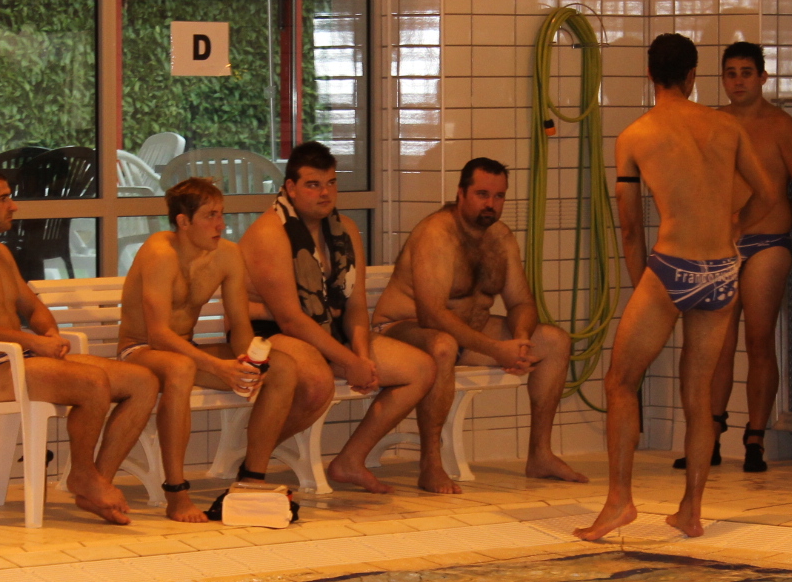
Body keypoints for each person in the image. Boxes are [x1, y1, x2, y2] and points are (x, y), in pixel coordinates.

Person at [576, 33, 780, 542]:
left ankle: (619, 502)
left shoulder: (635, 136)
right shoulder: (726, 126)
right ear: (692, 76)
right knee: (699, 395)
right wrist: (737, 226)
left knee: (620, 383)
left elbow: (630, 229)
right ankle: (691, 510)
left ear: (650, 75)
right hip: (722, 271)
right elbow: (770, 192)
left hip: (671, 269)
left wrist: (642, 285)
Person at [0, 165, 159, 526]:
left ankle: (95, 481)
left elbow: (33, 308)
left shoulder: (0, 254)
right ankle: (84, 476)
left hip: (23, 360)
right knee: (92, 382)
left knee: (143, 382)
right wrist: (30, 341)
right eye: (3, 199)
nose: (13, 206)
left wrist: (49, 333)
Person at [117, 176, 334, 520]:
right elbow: (158, 334)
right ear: (183, 222)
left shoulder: (228, 255)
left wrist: (249, 361)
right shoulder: (160, 252)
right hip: (141, 350)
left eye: (221, 214)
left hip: (185, 350)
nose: (221, 224)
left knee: (282, 368)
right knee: (180, 369)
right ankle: (176, 492)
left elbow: (240, 327)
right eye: (210, 216)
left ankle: (251, 478)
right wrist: (219, 367)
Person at [372, 157, 585, 491]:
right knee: (442, 345)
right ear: (461, 194)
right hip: (402, 330)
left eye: (499, 196)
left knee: (555, 341)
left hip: (465, 336)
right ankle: (431, 464)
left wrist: (520, 340)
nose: (491, 204)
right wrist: (497, 350)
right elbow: (431, 315)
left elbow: (521, 302)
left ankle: (540, 454)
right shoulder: (437, 234)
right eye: (482, 194)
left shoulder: (500, 238)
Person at [240, 140, 435, 494]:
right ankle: (252, 466)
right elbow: (291, 319)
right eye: (313, 185)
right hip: (269, 333)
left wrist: (361, 356)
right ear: (290, 188)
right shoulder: (270, 233)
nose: (325, 193)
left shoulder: (345, 230)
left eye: (331, 183)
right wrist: (349, 361)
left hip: (327, 330)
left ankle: (350, 460)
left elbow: (355, 305)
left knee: (420, 369)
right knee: (317, 384)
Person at [676, 41, 792, 473]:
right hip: (723, 243)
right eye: (730, 73)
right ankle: (710, 434)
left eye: (745, 73)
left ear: (762, 77)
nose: (738, 81)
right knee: (718, 343)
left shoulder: (781, 127)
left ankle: (755, 436)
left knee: (758, 339)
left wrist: (782, 221)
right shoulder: (712, 123)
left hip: (767, 244)